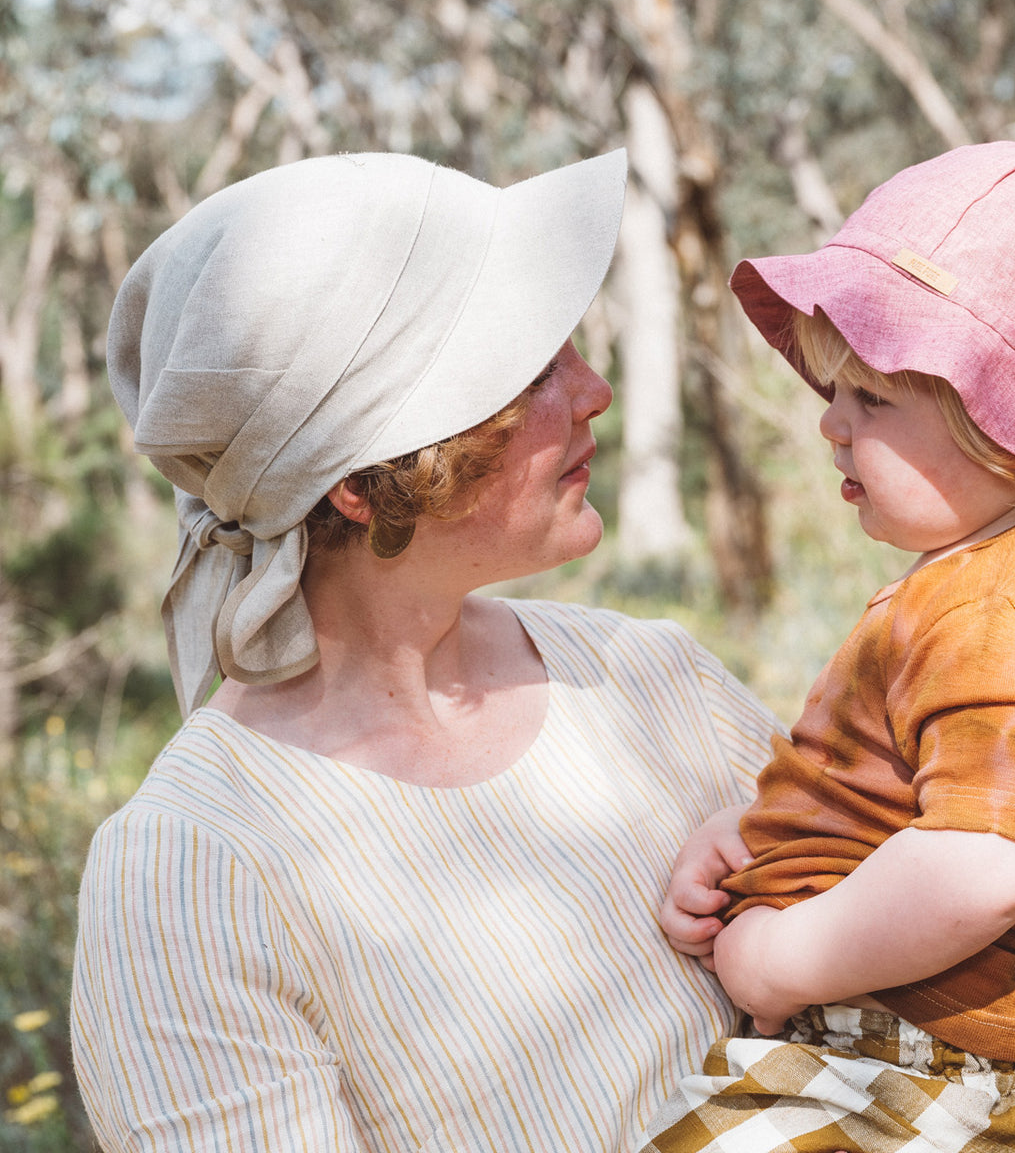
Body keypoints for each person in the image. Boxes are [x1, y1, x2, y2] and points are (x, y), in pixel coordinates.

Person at [69, 149, 787, 1152]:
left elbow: (957, 1008)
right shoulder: (195, 872)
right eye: (532, 369)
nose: (595, 392)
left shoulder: (652, 681)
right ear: (365, 482)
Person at [637, 141, 1015, 1153]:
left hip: (913, 1059)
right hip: (898, 1045)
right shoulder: (976, 575)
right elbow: (908, 786)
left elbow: (981, 864)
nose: (831, 427)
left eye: (872, 400)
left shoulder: (1004, 604)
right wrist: (761, 833)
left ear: (1010, 431)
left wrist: (781, 960)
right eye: (832, 393)